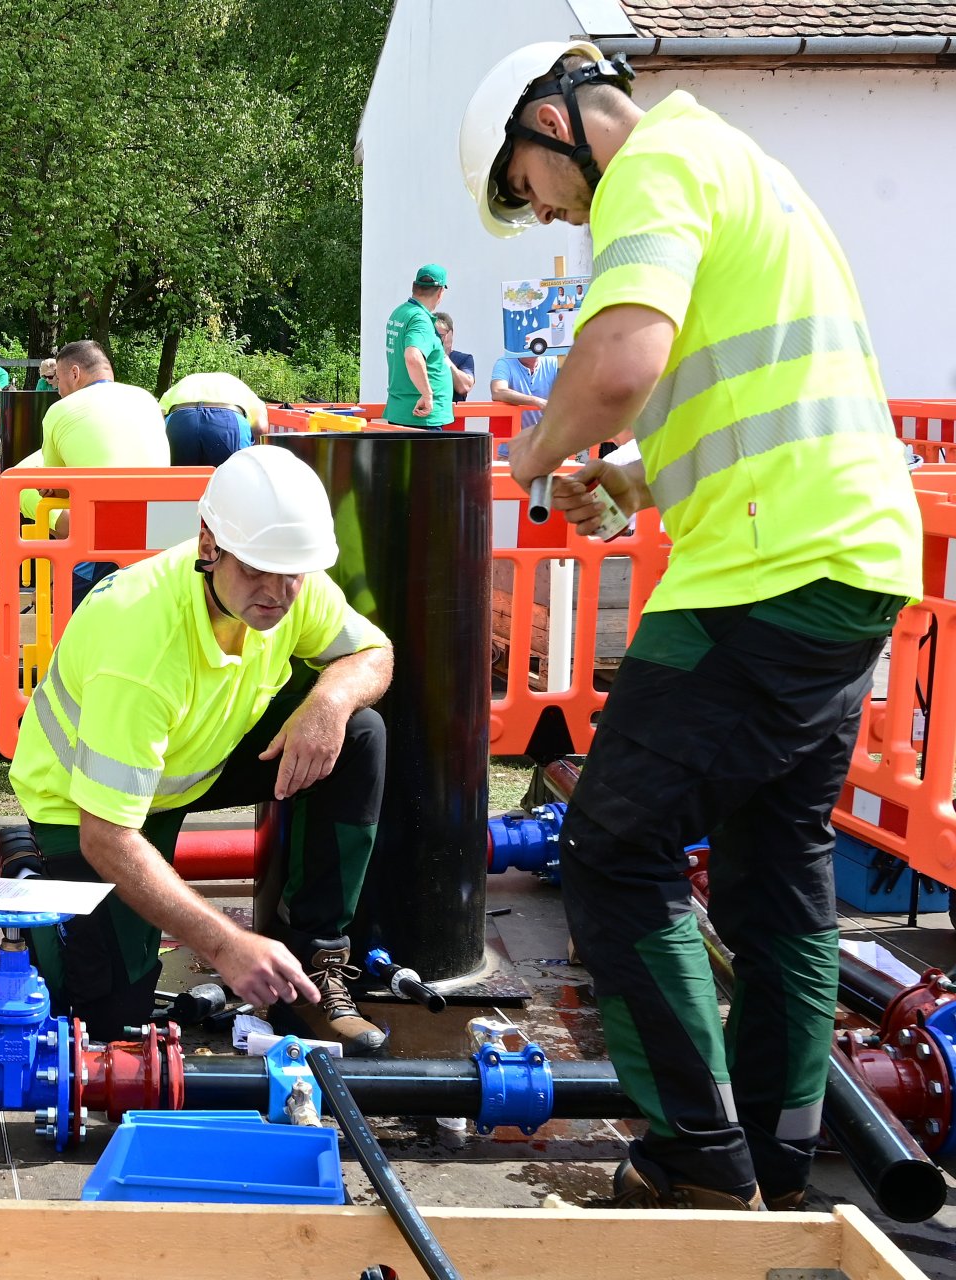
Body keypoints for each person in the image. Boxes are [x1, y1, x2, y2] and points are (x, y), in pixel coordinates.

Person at [465, 40, 923, 1210]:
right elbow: (756, 397)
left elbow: (620, 360)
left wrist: (525, 457)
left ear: (554, 121)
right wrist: (627, 482)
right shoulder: (738, 162)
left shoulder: (654, 169)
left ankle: (696, 1160)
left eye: (531, 187)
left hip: (762, 575)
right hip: (852, 560)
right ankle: (771, 1153)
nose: (552, 214)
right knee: (777, 869)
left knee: (615, 845)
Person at [7, 446, 392, 1049]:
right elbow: (107, 836)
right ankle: (29, 869)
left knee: (359, 733)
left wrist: (329, 703)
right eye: (259, 569)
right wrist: (225, 944)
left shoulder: (292, 581)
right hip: (83, 808)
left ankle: (317, 955)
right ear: (209, 542)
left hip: (193, 760)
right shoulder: (141, 645)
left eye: (292, 571)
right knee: (111, 1030)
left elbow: (374, 654)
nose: (279, 592)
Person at [43, 339, 169, 607]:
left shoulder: (62, 410)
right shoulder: (147, 399)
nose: (59, 391)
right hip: (162, 526)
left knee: (72, 603)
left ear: (75, 374)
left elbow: (52, 484)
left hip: (106, 529)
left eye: (59, 382)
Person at [382, 265, 452, 428]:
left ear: (415, 287)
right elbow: (412, 356)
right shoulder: (420, 319)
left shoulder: (400, 312)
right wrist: (427, 395)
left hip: (402, 411)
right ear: (440, 292)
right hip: (421, 417)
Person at [159, 370, 268, 467]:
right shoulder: (240, 388)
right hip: (227, 422)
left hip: (180, 421)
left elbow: (156, 423)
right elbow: (260, 428)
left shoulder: (180, 385)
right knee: (233, 482)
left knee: (179, 484)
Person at [488, 350, 558, 431]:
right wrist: (536, 401)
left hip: (545, 437)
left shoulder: (553, 362)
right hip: (512, 439)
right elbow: (497, 391)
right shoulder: (505, 363)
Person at [435, 313, 477, 403]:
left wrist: (443, 356)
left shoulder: (464, 359)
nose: (436, 340)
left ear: (451, 334)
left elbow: (464, 387)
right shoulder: (421, 358)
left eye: (440, 335)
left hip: (453, 415)